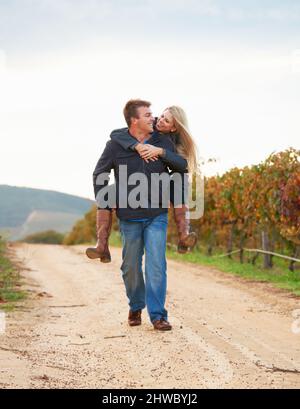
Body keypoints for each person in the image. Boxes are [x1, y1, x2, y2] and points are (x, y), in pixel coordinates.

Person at [88, 99, 188, 331]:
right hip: (129, 215)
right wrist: (106, 199)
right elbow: (99, 172)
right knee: (130, 266)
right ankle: (135, 305)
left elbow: (181, 167)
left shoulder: (163, 141)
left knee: (156, 265)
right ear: (134, 120)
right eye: (147, 115)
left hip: (157, 214)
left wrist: (161, 152)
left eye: (153, 114)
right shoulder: (115, 145)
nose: (152, 118)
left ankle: (158, 315)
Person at [110, 106, 198, 254]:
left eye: (166, 120)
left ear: (174, 128)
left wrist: (161, 152)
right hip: (145, 179)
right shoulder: (150, 124)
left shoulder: (178, 140)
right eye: (162, 116)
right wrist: (137, 145)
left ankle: (184, 235)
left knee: (180, 177)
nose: (161, 121)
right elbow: (115, 134)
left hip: (164, 181)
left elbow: (184, 166)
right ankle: (102, 243)